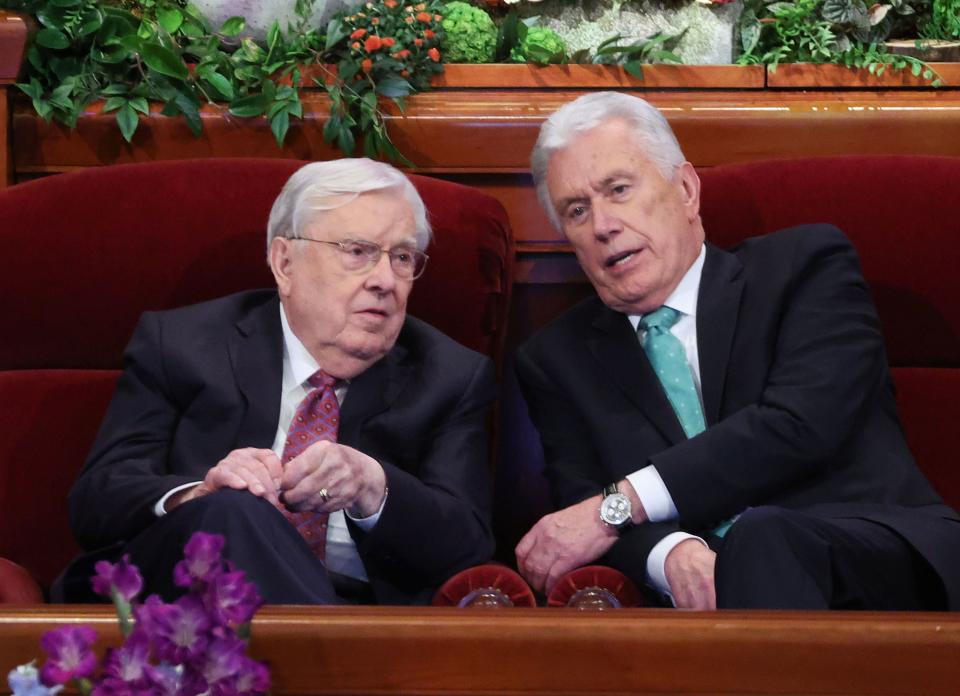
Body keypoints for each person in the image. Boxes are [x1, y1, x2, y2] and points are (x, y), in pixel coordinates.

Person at [513, 92, 960, 610]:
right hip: (708, 606)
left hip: (869, 556)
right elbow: (578, 510)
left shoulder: (804, 267)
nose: (602, 225)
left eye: (618, 189)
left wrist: (623, 502)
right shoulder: (555, 359)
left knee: (763, 536)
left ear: (684, 189)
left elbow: (800, 425)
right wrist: (670, 553)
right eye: (576, 210)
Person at [57, 158, 495, 605]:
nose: (385, 280)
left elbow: (468, 547)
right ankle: (324, 665)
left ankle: (316, 653)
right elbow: (98, 500)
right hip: (183, 605)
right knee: (236, 509)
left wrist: (373, 486)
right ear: (285, 263)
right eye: (357, 251)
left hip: (357, 619)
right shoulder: (184, 344)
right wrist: (199, 494)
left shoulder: (450, 376)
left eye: (402, 257)